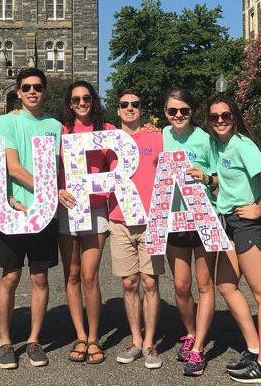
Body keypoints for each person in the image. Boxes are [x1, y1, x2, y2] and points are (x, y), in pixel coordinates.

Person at [207, 94, 261, 384]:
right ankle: (254, 348)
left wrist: (259, 209)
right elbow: (225, 180)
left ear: (234, 116)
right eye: (215, 117)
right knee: (226, 285)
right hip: (230, 223)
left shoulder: (242, 145)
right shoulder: (222, 146)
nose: (221, 120)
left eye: (225, 115)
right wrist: (207, 179)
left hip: (250, 225)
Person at [0, 68, 63, 369]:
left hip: (44, 214)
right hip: (14, 210)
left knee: (39, 277)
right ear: (18, 92)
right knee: (9, 277)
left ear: (44, 91)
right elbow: (13, 167)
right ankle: (5, 341)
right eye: (26, 87)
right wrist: (49, 192)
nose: (32, 91)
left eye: (37, 87)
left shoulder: (55, 126)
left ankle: (34, 340)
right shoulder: (7, 121)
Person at [161, 87, 219, 377]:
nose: (178, 115)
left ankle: (198, 350)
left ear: (192, 112)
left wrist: (207, 177)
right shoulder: (161, 135)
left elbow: (222, 176)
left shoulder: (206, 139)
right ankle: (191, 332)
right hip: (174, 219)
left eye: (184, 110)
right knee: (182, 287)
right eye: (173, 111)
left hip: (203, 218)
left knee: (204, 284)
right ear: (165, 113)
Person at [57, 80, 114, 365]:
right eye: (76, 99)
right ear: (69, 103)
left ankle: (93, 337)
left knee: (90, 276)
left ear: (94, 100)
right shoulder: (60, 131)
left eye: (86, 98)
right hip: (68, 209)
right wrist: (57, 189)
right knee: (72, 275)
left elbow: (122, 164)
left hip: (95, 209)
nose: (81, 103)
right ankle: (80, 335)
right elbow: (49, 168)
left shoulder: (107, 131)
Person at [109, 89, 164, 369]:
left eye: (135, 104)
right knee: (129, 282)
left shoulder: (157, 136)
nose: (130, 108)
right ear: (117, 110)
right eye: (124, 104)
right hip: (119, 220)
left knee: (151, 282)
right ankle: (135, 339)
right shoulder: (107, 138)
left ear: (141, 109)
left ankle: (151, 343)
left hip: (150, 220)